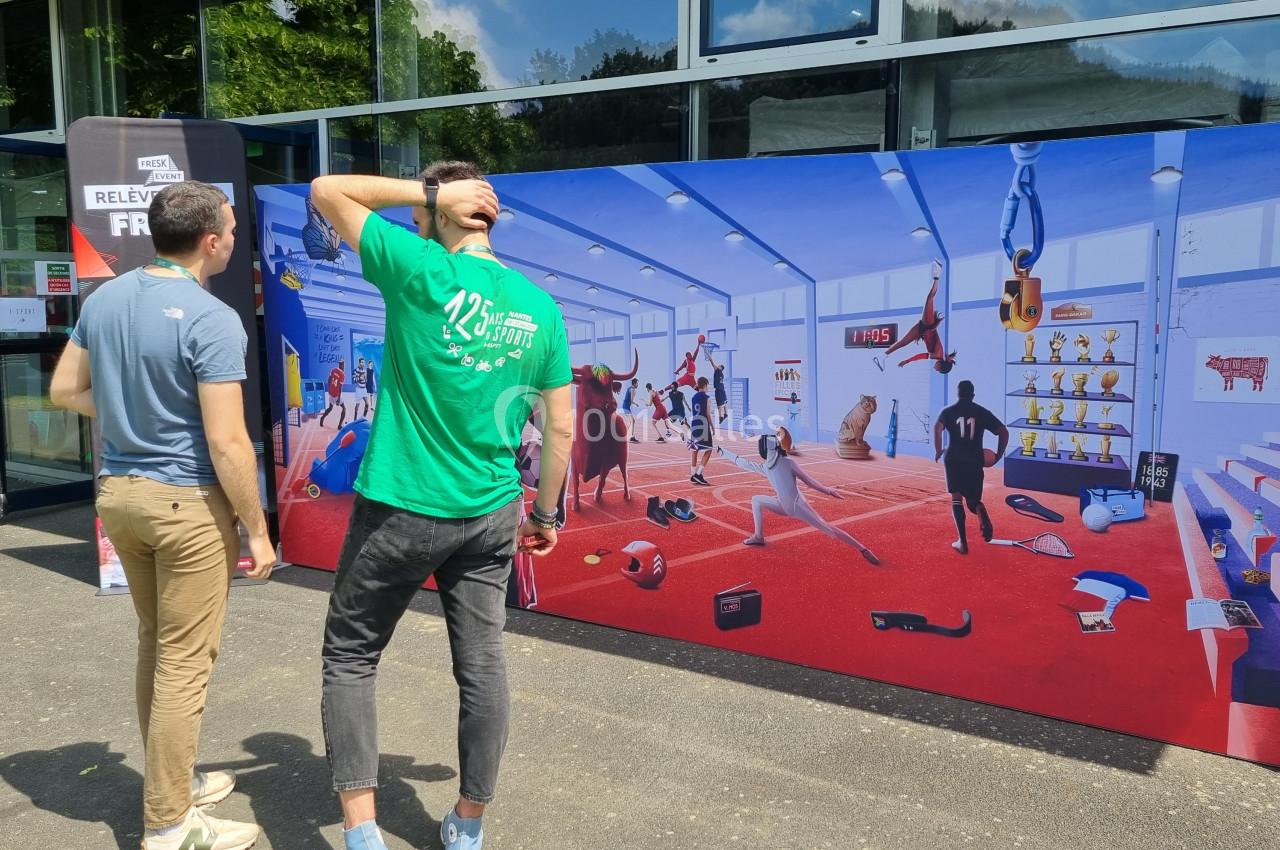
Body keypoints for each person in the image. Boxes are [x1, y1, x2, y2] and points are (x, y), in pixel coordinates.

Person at [310, 161, 574, 850]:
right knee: (482, 665)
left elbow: (327, 190)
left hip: (401, 505)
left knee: (351, 655)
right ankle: (468, 824)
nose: (413, 221)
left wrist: (430, 193)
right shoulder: (539, 307)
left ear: (441, 210)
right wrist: (546, 515)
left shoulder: (420, 267)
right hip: (491, 512)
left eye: (420, 213)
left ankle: (362, 833)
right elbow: (561, 428)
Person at [50, 181, 275, 850]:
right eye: (230, 228)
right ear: (209, 241)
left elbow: (64, 390)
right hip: (185, 506)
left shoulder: (105, 298)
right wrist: (258, 530)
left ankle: (173, 785)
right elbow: (228, 443)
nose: (233, 237)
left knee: (157, 646)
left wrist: (129, 413)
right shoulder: (212, 318)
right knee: (184, 664)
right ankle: (171, 825)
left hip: (120, 496)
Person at [717, 427, 879, 565]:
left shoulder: (787, 463)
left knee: (828, 529)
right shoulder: (769, 467)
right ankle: (758, 537)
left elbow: (808, 481)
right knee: (756, 500)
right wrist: (724, 451)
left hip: (797, 506)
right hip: (783, 504)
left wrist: (827, 490)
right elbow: (743, 463)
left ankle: (863, 549)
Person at [933, 379, 1009, 554]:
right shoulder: (981, 412)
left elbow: (937, 428)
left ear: (958, 394)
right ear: (972, 395)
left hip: (953, 459)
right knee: (973, 501)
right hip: (975, 459)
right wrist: (999, 455)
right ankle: (980, 509)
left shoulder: (948, 411)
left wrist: (938, 450)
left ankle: (962, 542)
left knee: (957, 498)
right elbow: (1003, 432)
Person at [885, 259, 956, 373]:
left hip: (922, 330)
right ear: (941, 366)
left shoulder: (935, 356)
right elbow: (931, 338)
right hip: (928, 325)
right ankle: (937, 274)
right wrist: (928, 330)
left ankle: (883, 355)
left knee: (903, 342)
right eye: (938, 370)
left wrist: (907, 361)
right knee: (930, 298)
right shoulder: (938, 353)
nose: (935, 369)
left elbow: (921, 356)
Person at [689, 376, 715, 485]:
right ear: (705, 385)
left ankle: (692, 474)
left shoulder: (693, 397)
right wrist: (712, 427)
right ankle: (698, 474)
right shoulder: (707, 398)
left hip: (694, 424)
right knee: (709, 449)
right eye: (707, 385)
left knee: (694, 450)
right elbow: (708, 414)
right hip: (703, 425)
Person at [320, 358, 347, 428]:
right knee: (344, 408)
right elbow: (340, 387)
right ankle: (339, 425)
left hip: (331, 392)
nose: (344, 366)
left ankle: (322, 418)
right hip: (336, 394)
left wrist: (330, 388)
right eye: (343, 365)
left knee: (330, 408)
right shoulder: (342, 374)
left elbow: (329, 379)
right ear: (342, 365)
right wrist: (339, 398)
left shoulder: (334, 370)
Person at [706, 349, 729, 424]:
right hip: (722, 389)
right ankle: (726, 414)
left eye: (719, 365)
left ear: (720, 367)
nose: (717, 365)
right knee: (725, 402)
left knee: (719, 405)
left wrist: (708, 354)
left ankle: (721, 417)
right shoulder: (722, 374)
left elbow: (712, 361)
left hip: (718, 390)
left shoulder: (717, 370)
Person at [621, 377, 639, 443]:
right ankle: (630, 436)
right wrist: (636, 404)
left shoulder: (630, 388)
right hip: (626, 406)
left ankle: (628, 435)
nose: (638, 385)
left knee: (631, 421)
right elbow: (631, 401)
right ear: (634, 383)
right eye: (637, 383)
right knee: (632, 421)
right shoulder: (632, 390)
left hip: (626, 406)